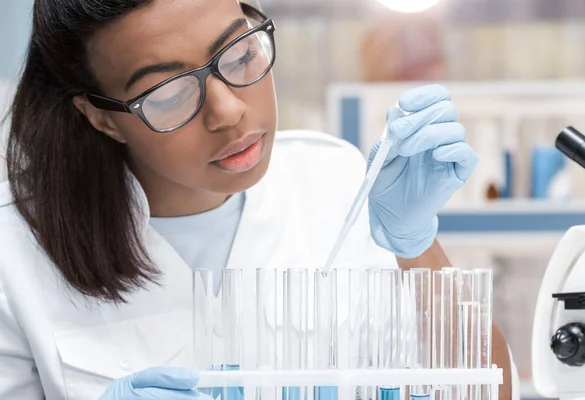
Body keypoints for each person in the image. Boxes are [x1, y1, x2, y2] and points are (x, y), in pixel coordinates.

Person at [0, 0, 516, 399]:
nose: (227, 110)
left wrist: (416, 246)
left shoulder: (334, 180)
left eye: (241, 54)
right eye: (168, 93)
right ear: (100, 115)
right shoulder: (15, 251)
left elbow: (488, 389)